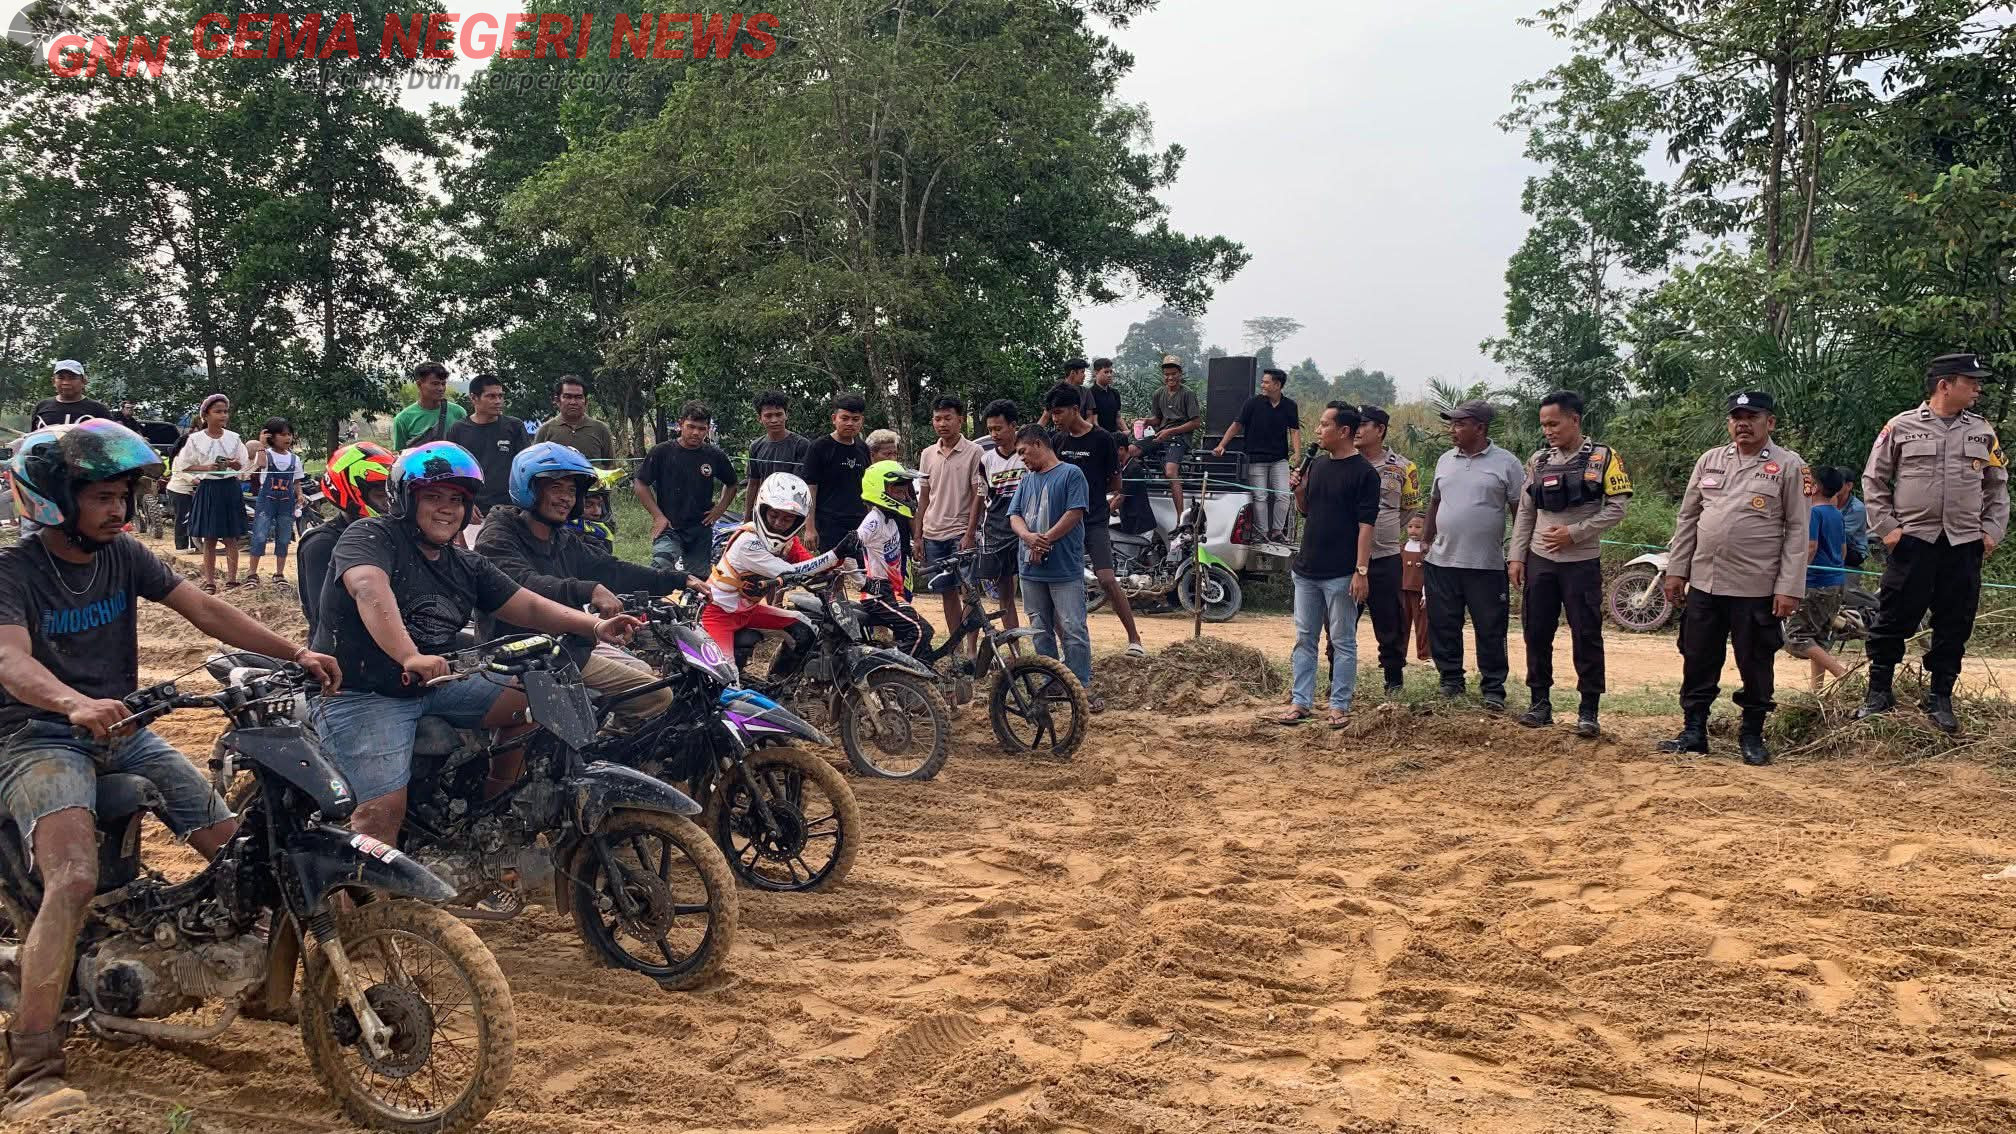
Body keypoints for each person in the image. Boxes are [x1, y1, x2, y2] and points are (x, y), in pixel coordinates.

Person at [0, 420, 338, 1121]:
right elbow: (10, 659)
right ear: (54, 499)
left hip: (124, 731)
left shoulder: (125, 554)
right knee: (73, 878)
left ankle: (256, 984)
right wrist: (72, 703)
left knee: (243, 851)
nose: (119, 509)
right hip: (38, 738)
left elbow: (204, 608)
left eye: (123, 495)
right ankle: (33, 1065)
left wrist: (294, 653)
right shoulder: (13, 571)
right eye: (102, 497)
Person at [311, 442, 641, 848]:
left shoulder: (463, 563)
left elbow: (528, 605)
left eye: (457, 499)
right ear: (406, 500)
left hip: (434, 684)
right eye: (433, 497)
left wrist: (596, 626)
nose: (447, 509)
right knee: (381, 814)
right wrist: (409, 655)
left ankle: (493, 811)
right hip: (361, 693)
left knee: (539, 701)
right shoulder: (371, 535)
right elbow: (368, 588)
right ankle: (361, 888)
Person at [477, 444, 693, 724]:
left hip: (566, 644)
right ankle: (604, 748)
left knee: (643, 671)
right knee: (656, 695)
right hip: (524, 653)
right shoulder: (497, 536)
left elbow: (611, 569)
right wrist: (587, 589)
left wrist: (679, 579)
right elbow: (521, 584)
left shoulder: (560, 538)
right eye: (556, 488)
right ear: (528, 487)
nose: (566, 498)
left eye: (572, 490)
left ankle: (607, 735)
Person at [1855, 352, 2010, 734]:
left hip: (1964, 543)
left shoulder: (1982, 431)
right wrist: (1888, 528)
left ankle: (1940, 697)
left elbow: (1997, 487)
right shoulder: (1900, 426)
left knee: (1955, 621)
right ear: (1945, 385)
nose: (1977, 389)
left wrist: (1991, 531)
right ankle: (1879, 692)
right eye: (1970, 382)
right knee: (1893, 616)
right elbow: (1874, 479)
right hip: (1913, 541)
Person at [1658, 391, 1810, 765]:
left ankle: (1752, 735)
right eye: (1736, 417)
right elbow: (1688, 518)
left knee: (1755, 662)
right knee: (1697, 658)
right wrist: (1677, 570)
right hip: (1705, 582)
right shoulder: (1710, 460)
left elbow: (1797, 529)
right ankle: (1694, 731)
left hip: (1756, 586)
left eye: (1751, 417)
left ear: (1769, 422)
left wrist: (1789, 587)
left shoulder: (1788, 466)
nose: (1743, 424)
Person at [1508, 390, 1631, 737]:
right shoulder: (1538, 460)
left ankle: (1588, 710)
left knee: (1586, 633)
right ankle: (1539, 703)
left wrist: (1574, 533)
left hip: (1581, 561)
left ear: (1574, 420)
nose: (1547, 430)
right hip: (1540, 560)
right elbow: (1526, 512)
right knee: (1536, 631)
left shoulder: (1604, 458)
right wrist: (1516, 556)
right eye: (1543, 425)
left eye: (1554, 423)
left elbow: (1617, 508)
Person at [1271, 403, 1380, 728]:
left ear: (1343, 431)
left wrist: (1361, 571)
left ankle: (1339, 705)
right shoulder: (1317, 465)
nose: (1318, 431)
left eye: (1324, 425)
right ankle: (1300, 702)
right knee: (1305, 638)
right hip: (1307, 568)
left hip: (1342, 572)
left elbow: (1366, 526)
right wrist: (1299, 490)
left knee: (1342, 640)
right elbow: (1307, 510)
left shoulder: (1365, 473)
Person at [1420, 400, 1526, 711]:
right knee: (1444, 624)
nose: (1452, 430)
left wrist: (1519, 553)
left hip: (1486, 565)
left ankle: (1493, 688)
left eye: (1459, 424)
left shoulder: (1507, 463)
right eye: (1451, 423)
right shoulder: (1445, 460)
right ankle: (1450, 680)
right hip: (1442, 561)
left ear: (1480, 427)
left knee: (1491, 627)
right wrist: (1426, 539)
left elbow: (1520, 511)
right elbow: (1435, 502)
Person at [701, 473, 854, 674]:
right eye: (773, 515)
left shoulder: (787, 542)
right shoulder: (748, 542)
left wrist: (841, 561)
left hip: (748, 612)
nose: (779, 523)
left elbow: (809, 563)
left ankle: (780, 683)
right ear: (762, 510)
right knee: (727, 678)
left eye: (788, 518)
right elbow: (791, 571)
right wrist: (835, 554)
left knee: (805, 627)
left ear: (798, 521)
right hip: (718, 613)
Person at [1045, 383, 1144, 660]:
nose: (1055, 419)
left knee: (1107, 578)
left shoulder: (1103, 439)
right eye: (1051, 414)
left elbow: (1116, 482)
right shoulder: (1057, 441)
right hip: (1063, 522)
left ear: (1075, 409)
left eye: (1059, 412)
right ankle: (1067, 647)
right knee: (1055, 582)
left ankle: (1134, 639)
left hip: (1094, 520)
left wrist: (1094, 495)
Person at [1009, 426, 1094, 694]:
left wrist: (1044, 539)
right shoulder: (1026, 481)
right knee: (1039, 629)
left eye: (1023, 451)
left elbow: (1075, 512)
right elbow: (1014, 515)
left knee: (1073, 628)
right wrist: (1028, 537)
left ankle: (1079, 686)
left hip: (1064, 568)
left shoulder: (1071, 473)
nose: (1022, 458)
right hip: (1030, 569)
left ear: (1038, 444)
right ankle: (1051, 682)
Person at [1350, 404, 1420, 693]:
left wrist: (1382, 530)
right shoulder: (1343, 462)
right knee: (1341, 622)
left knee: (1390, 620)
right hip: (1348, 557)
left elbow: (1409, 509)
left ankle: (1393, 680)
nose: (1356, 430)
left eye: (1362, 424)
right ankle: (1338, 680)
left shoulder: (1403, 467)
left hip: (1385, 557)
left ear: (1379, 429)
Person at [296, 441, 395, 640]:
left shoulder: (388, 535)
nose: (389, 503)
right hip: (345, 651)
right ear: (350, 493)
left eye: (392, 494)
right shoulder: (322, 544)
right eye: (380, 495)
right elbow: (329, 621)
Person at [916, 396, 987, 654]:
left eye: (948, 418)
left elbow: (978, 495)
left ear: (960, 420)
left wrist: (970, 533)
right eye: (937, 419)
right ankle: (955, 648)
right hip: (933, 532)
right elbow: (924, 497)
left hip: (961, 532)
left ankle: (971, 649)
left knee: (970, 591)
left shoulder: (975, 452)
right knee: (946, 592)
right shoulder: (927, 454)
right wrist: (918, 535)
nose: (942, 424)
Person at [637, 401, 738, 576]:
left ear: (708, 429)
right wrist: (658, 516)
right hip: (669, 526)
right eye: (691, 426)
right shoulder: (662, 452)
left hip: (700, 528)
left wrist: (720, 509)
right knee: (660, 568)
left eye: (701, 428)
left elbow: (732, 483)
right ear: (680, 424)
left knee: (698, 580)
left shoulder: (714, 455)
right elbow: (640, 483)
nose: (696, 433)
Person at [852, 460, 933, 655]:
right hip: (878, 597)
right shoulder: (873, 521)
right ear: (880, 490)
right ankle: (889, 668)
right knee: (920, 632)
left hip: (893, 593)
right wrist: (863, 583)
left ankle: (905, 668)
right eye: (899, 492)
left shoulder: (890, 520)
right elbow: (846, 550)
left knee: (924, 645)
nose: (905, 497)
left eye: (906, 492)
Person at [1785, 465, 1853, 694]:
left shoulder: (1813, 513)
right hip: (1836, 582)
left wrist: (1796, 576)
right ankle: (1818, 692)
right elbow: (1843, 550)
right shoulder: (1836, 514)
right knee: (1819, 638)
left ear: (1814, 488)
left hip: (1815, 583)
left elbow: (1811, 547)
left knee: (1796, 637)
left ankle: (1841, 673)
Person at [1214, 368, 1302, 544]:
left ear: (1277, 385)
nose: (1262, 385)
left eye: (1266, 382)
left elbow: (1294, 431)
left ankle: (1277, 531)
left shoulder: (1290, 406)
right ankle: (1262, 532)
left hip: (1279, 459)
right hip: (1256, 459)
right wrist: (1222, 444)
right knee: (1260, 496)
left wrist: (1298, 453)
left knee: (1283, 495)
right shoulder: (1252, 403)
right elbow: (1237, 425)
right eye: (1262, 382)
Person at [445, 373, 528, 539]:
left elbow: (524, 468)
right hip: (474, 514)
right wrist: (465, 503)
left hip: (510, 511)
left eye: (500, 396)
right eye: (491, 396)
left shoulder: (514, 426)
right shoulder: (458, 430)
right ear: (474, 398)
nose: (498, 401)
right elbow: (452, 473)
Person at [182, 394, 250, 593]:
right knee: (209, 538)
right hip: (209, 489)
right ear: (205, 415)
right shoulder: (195, 440)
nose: (223, 415)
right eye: (218, 411)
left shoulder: (234, 438)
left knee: (231, 537)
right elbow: (185, 465)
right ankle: (210, 581)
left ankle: (232, 580)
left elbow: (243, 464)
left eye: (225, 411)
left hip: (230, 488)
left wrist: (234, 464)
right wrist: (206, 468)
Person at [975, 399, 1028, 630]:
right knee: (1005, 594)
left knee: (1036, 592)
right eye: (990, 430)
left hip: (1027, 531)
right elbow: (981, 497)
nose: (994, 434)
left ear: (1013, 425)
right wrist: (971, 531)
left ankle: (1048, 646)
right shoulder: (986, 460)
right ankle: (1014, 647)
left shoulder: (1027, 455)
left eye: (998, 428)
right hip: (996, 531)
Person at [802, 391, 871, 552]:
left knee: (860, 566)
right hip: (829, 524)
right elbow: (810, 489)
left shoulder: (863, 448)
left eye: (855, 419)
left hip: (859, 523)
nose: (850, 423)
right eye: (844, 418)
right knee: (834, 566)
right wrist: (810, 528)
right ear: (834, 419)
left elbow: (868, 486)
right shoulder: (819, 447)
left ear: (861, 421)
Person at [245, 417, 304, 586]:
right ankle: (252, 574)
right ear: (271, 436)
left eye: (289, 434)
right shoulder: (266, 454)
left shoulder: (294, 459)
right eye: (282, 434)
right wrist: (261, 445)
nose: (288, 438)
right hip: (266, 502)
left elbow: (296, 481)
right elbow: (261, 464)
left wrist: (299, 495)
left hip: (286, 503)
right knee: (260, 535)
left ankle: (279, 574)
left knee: (284, 537)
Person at [1146, 355, 1202, 519]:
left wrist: (1171, 432)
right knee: (1131, 451)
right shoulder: (1158, 393)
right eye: (1167, 374)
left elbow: (1196, 423)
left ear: (1180, 374)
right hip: (1161, 435)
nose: (1170, 377)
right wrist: (1146, 421)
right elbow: (1157, 419)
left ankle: (1180, 518)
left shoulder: (1187, 394)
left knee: (1171, 472)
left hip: (1179, 437)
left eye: (1173, 374)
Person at [743, 390, 812, 514]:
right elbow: (753, 483)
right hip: (765, 510)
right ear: (759, 418)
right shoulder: (756, 446)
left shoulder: (801, 445)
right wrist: (747, 517)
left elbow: (804, 486)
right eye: (768, 416)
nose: (774, 420)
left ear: (786, 415)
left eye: (779, 414)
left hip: (792, 512)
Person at [533, 375, 617, 462]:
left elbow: (611, 465)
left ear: (586, 401)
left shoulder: (600, 429)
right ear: (557, 400)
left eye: (578, 397)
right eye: (567, 397)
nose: (573, 402)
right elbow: (535, 463)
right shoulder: (545, 430)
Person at [390, 361, 467, 450]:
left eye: (443, 384)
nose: (441, 388)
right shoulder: (403, 419)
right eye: (435, 384)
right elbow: (401, 455)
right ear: (419, 384)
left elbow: (466, 449)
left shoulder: (458, 412)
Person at [30, 361, 112, 429]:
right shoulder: (41, 407)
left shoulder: (99, 410)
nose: (66, 382)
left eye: (72, 378)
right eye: (61, 378)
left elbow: (111, 439)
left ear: (84, 381)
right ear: (53, 381)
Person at [1401, 514, 1430, 662]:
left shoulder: (1427, 549)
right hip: (1403, 591)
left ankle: (1425, 655)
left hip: (1420, 593)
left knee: (1423, 625)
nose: (1413, 530)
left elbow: (1430, 573)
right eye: (1410, 526)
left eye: (1418, 527)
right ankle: (1399, 655)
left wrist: (1426, 593)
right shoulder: (1401, 547)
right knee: (1402, 624)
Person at [1037, 358, 1096, 427]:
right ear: (1072, 373)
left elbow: (1090, 416)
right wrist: (1034, 432)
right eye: (1082, 372)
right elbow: (1045, 416)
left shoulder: (1086, 392)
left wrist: (1083, 429)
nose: (1084, 375)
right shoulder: (1056, 391)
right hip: (1061, 431)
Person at [164, 428, 197, 552]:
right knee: (183, 518)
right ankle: (181, 546)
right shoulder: (179, 458)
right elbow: (186, 475)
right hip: (179, 491)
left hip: (190, 491)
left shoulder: (193, 458)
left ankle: (194, 545)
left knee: (193, 518)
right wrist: (199, 481)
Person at [1836, 469, 1869, 575]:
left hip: (1853, 550)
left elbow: (1840, 535)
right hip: (1836, 543)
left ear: (1849, 486)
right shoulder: (1828, 500)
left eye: (1837, 482)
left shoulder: (1857, 508)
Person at [1085, 357, 1123, 434]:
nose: (1109, 375)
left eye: (1111, 372)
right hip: (1098, 435)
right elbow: (1093, 421)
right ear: (1096, 373)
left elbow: (1118, 417)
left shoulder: (1115, 393)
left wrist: (1127, 431)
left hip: (1115, 434)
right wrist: (1105, 436)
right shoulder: (1090, 393)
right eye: (1106, 372)